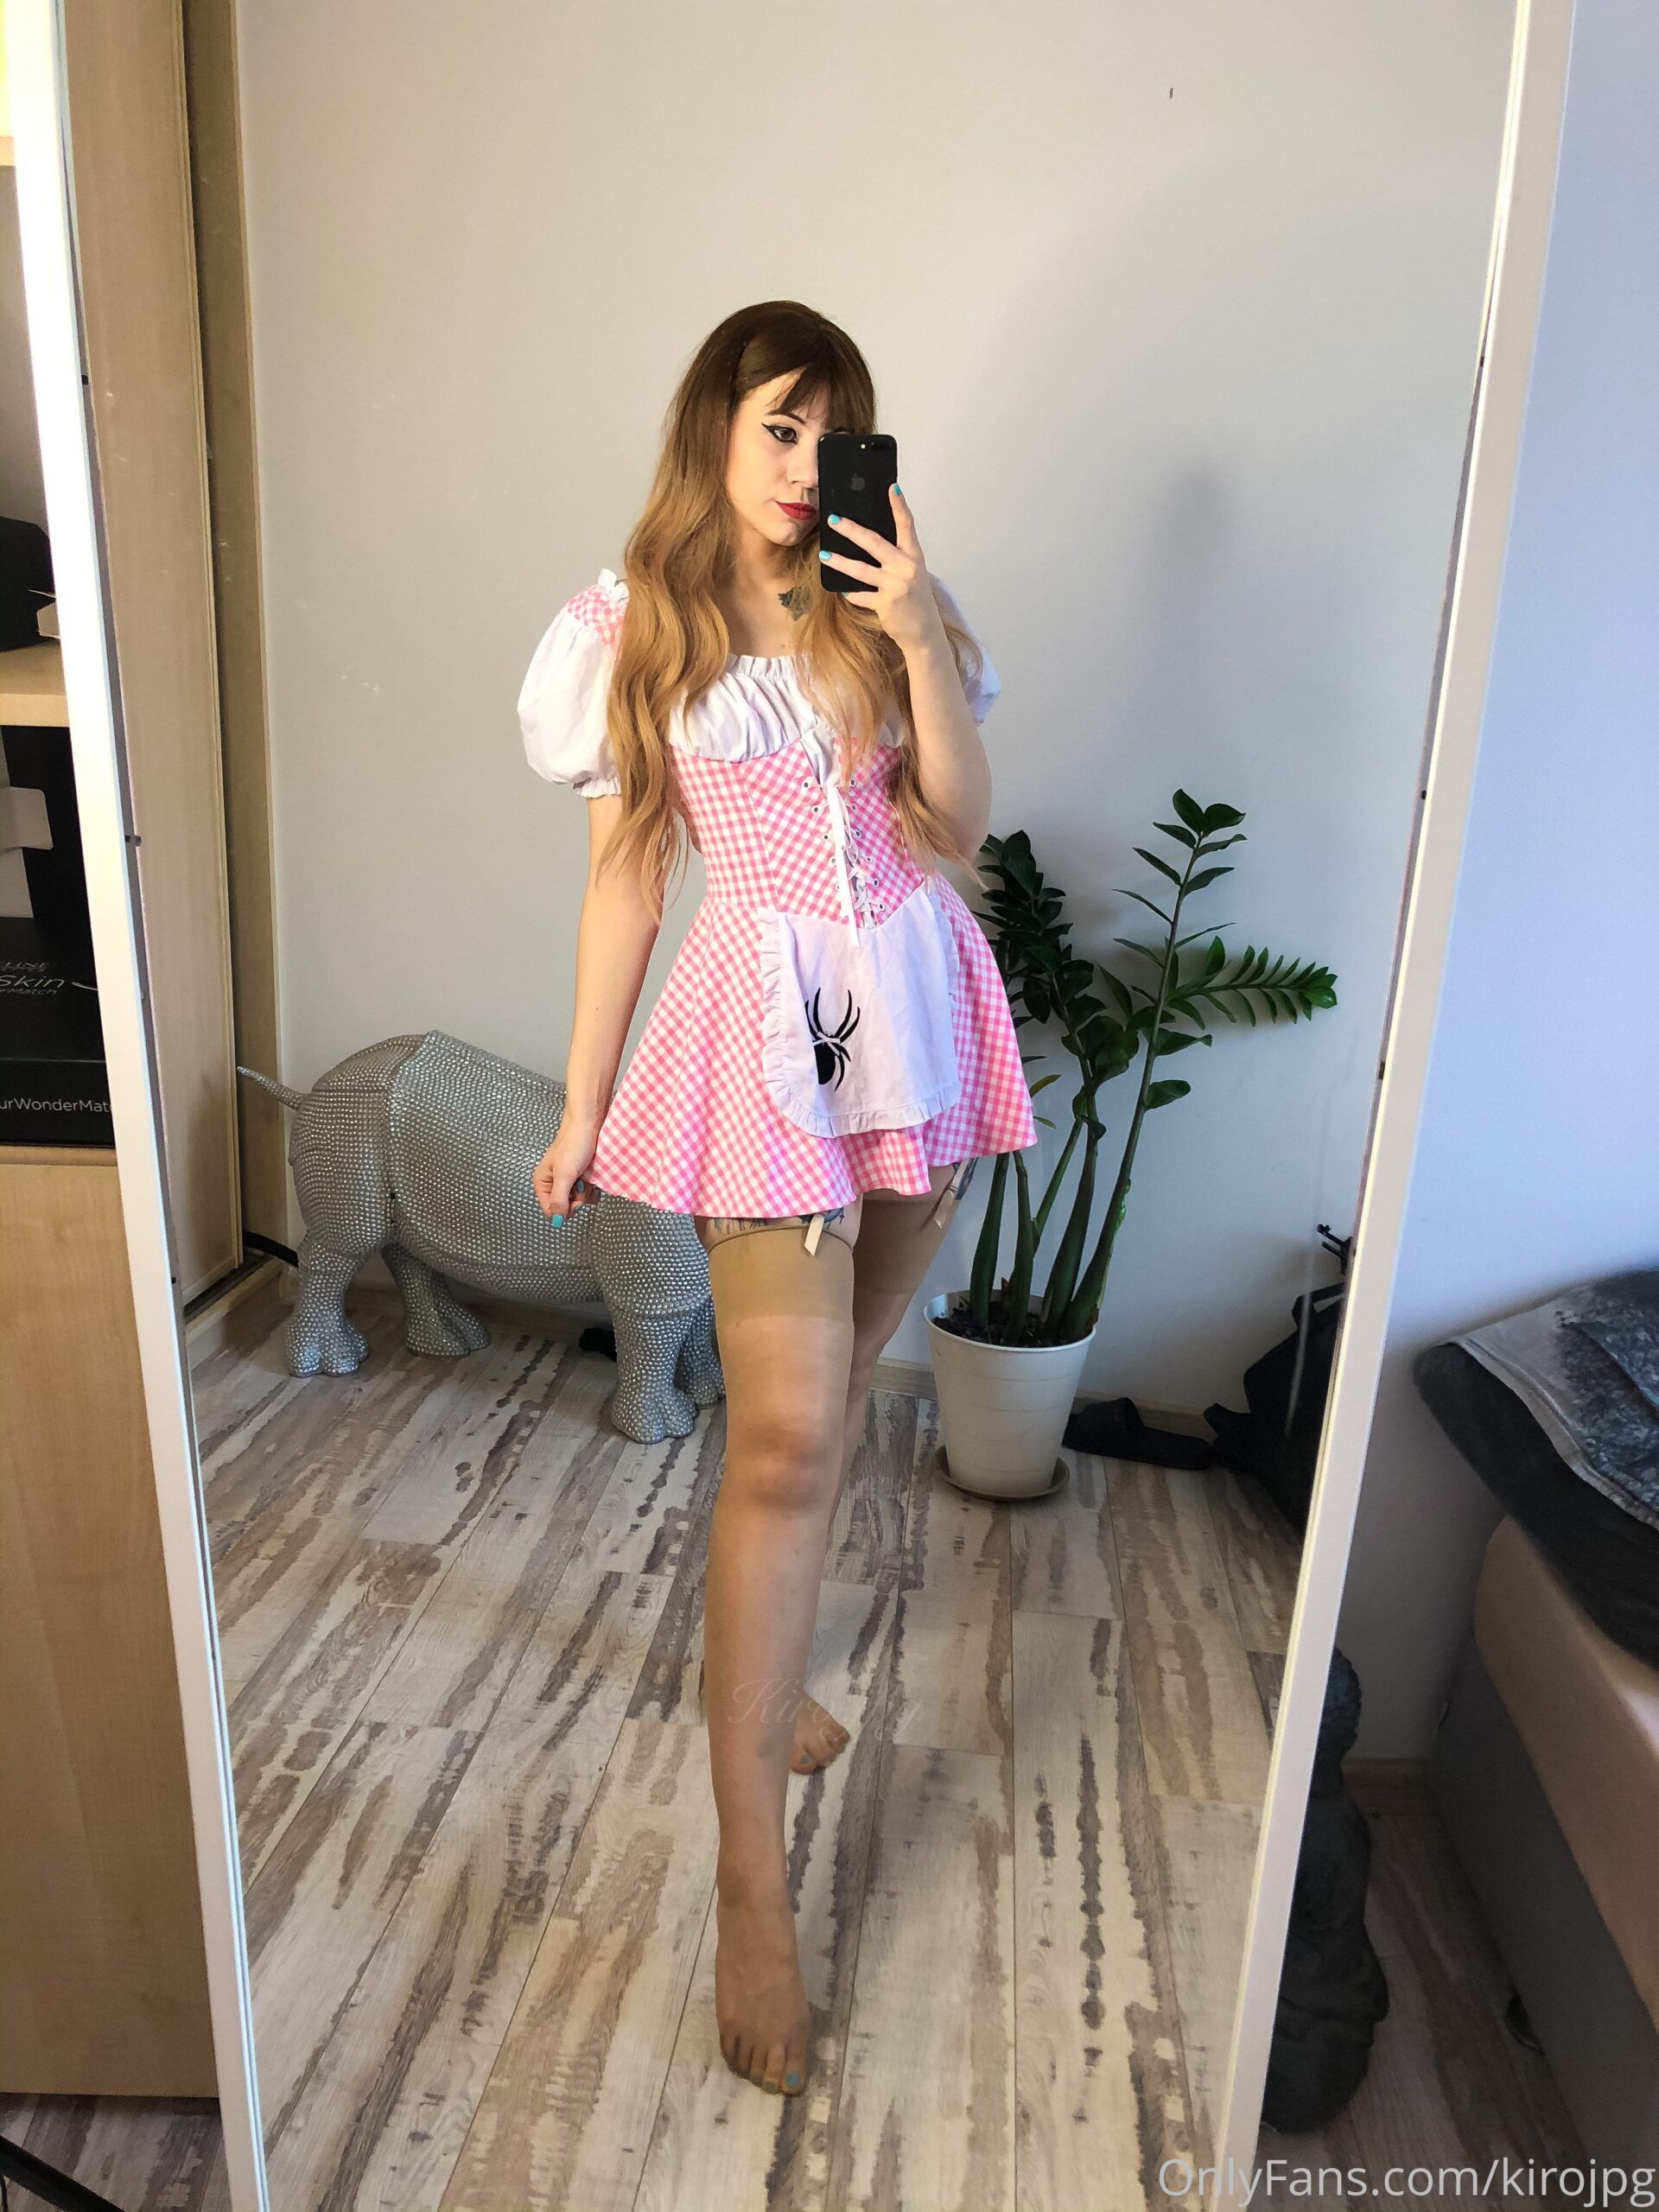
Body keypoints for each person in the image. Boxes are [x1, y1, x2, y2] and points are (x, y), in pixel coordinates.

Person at [518, 301, 1037, 2102]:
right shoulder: (631, 629)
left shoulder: (887, 605)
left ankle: (767, 1677)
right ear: (717, 430)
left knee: (831, 1401)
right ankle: (752, 1880)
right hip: (761, 1038)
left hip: (918, 1013)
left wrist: (919, 635)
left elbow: (956, 823)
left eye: (835, 434)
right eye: (780, 428)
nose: (810, 466)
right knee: (793, 1436)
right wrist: (583, 1098)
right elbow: (625, 883)